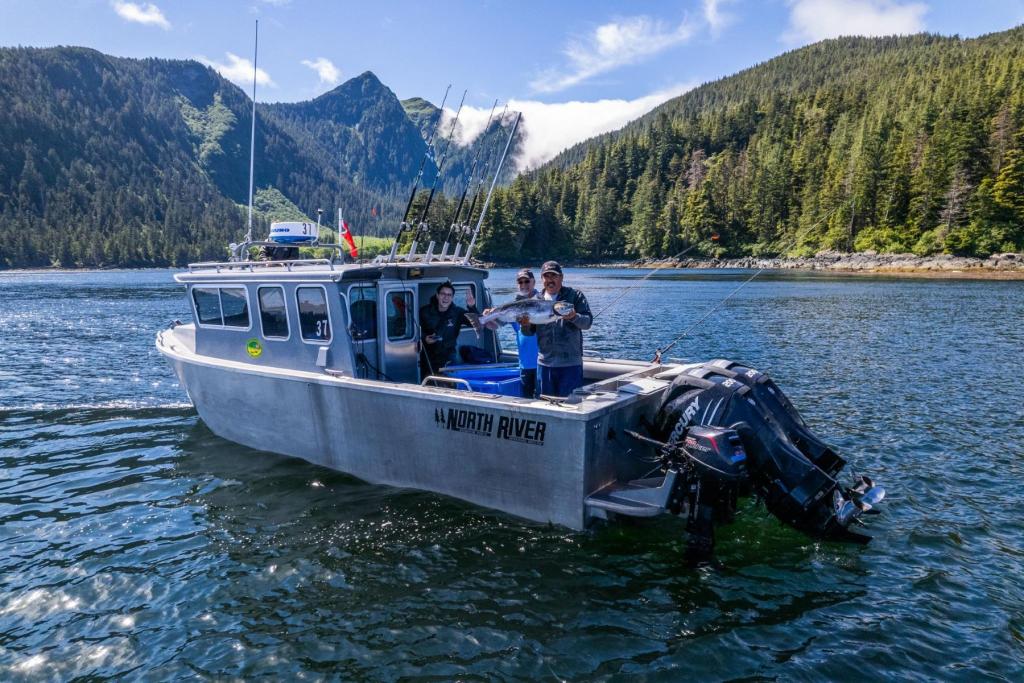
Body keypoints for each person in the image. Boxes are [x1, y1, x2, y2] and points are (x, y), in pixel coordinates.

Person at [519, 261, 592, 397]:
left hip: (570, 365)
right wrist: (525, 325)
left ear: (561, 278)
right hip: (544, 364)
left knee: (571, 407)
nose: (550, 280)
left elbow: (587, 323)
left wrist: (574, 317)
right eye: (546, 276)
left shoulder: (575, 296)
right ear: (542, 279)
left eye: (554, 276)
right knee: (545, 407)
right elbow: (528, 333)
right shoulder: (535, 300)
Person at [482, 268, 540, 398]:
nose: (523, 285)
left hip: (542, 363)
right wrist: (486, 319)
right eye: (520, 282)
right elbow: (494, 326)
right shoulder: (513, 305)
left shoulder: (542, 300)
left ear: (534, 282)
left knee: (543, 399)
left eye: (527, 281)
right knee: (527, 401)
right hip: (525, 364)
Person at [419, 281, 476, 377]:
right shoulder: (424, 311)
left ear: (452, 298)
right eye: (443, 294)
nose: (446, 297)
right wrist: (425, 338)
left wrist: (472, 307)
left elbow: (475, 323)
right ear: (437, 295)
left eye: (449, 295)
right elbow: (416, 330)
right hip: (428, 358)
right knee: (430, 384)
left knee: (452, 384)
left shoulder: (458, 312)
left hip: (449, 357)